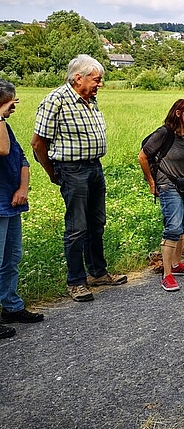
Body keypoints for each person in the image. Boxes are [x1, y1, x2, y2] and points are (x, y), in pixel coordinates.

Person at [31, 54, 127, 302]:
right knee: (77, 227)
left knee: (97, 223)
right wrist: (54, 173)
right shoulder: (56, 100)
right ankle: (75, 281)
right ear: (78, 78)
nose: (100, 84)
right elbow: (38, 143)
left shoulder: (89, 100)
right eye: (96, 80)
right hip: (71, 169)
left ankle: (97, 272)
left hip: (94, 167)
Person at [138, 99, 184, 292]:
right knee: (173, 228)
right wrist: (152, 182)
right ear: (178, 113)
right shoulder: (163, 133)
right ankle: (167, 274)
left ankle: (176, 264)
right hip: (168, 185)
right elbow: (143, 156)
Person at [0, 80, 43, 338]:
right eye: (10, 101)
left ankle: (12, 306)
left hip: (11, 201)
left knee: (12, 258)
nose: (14, 106)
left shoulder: (7, 127)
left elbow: (21, 157)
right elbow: (3, 150)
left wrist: (23, 188)